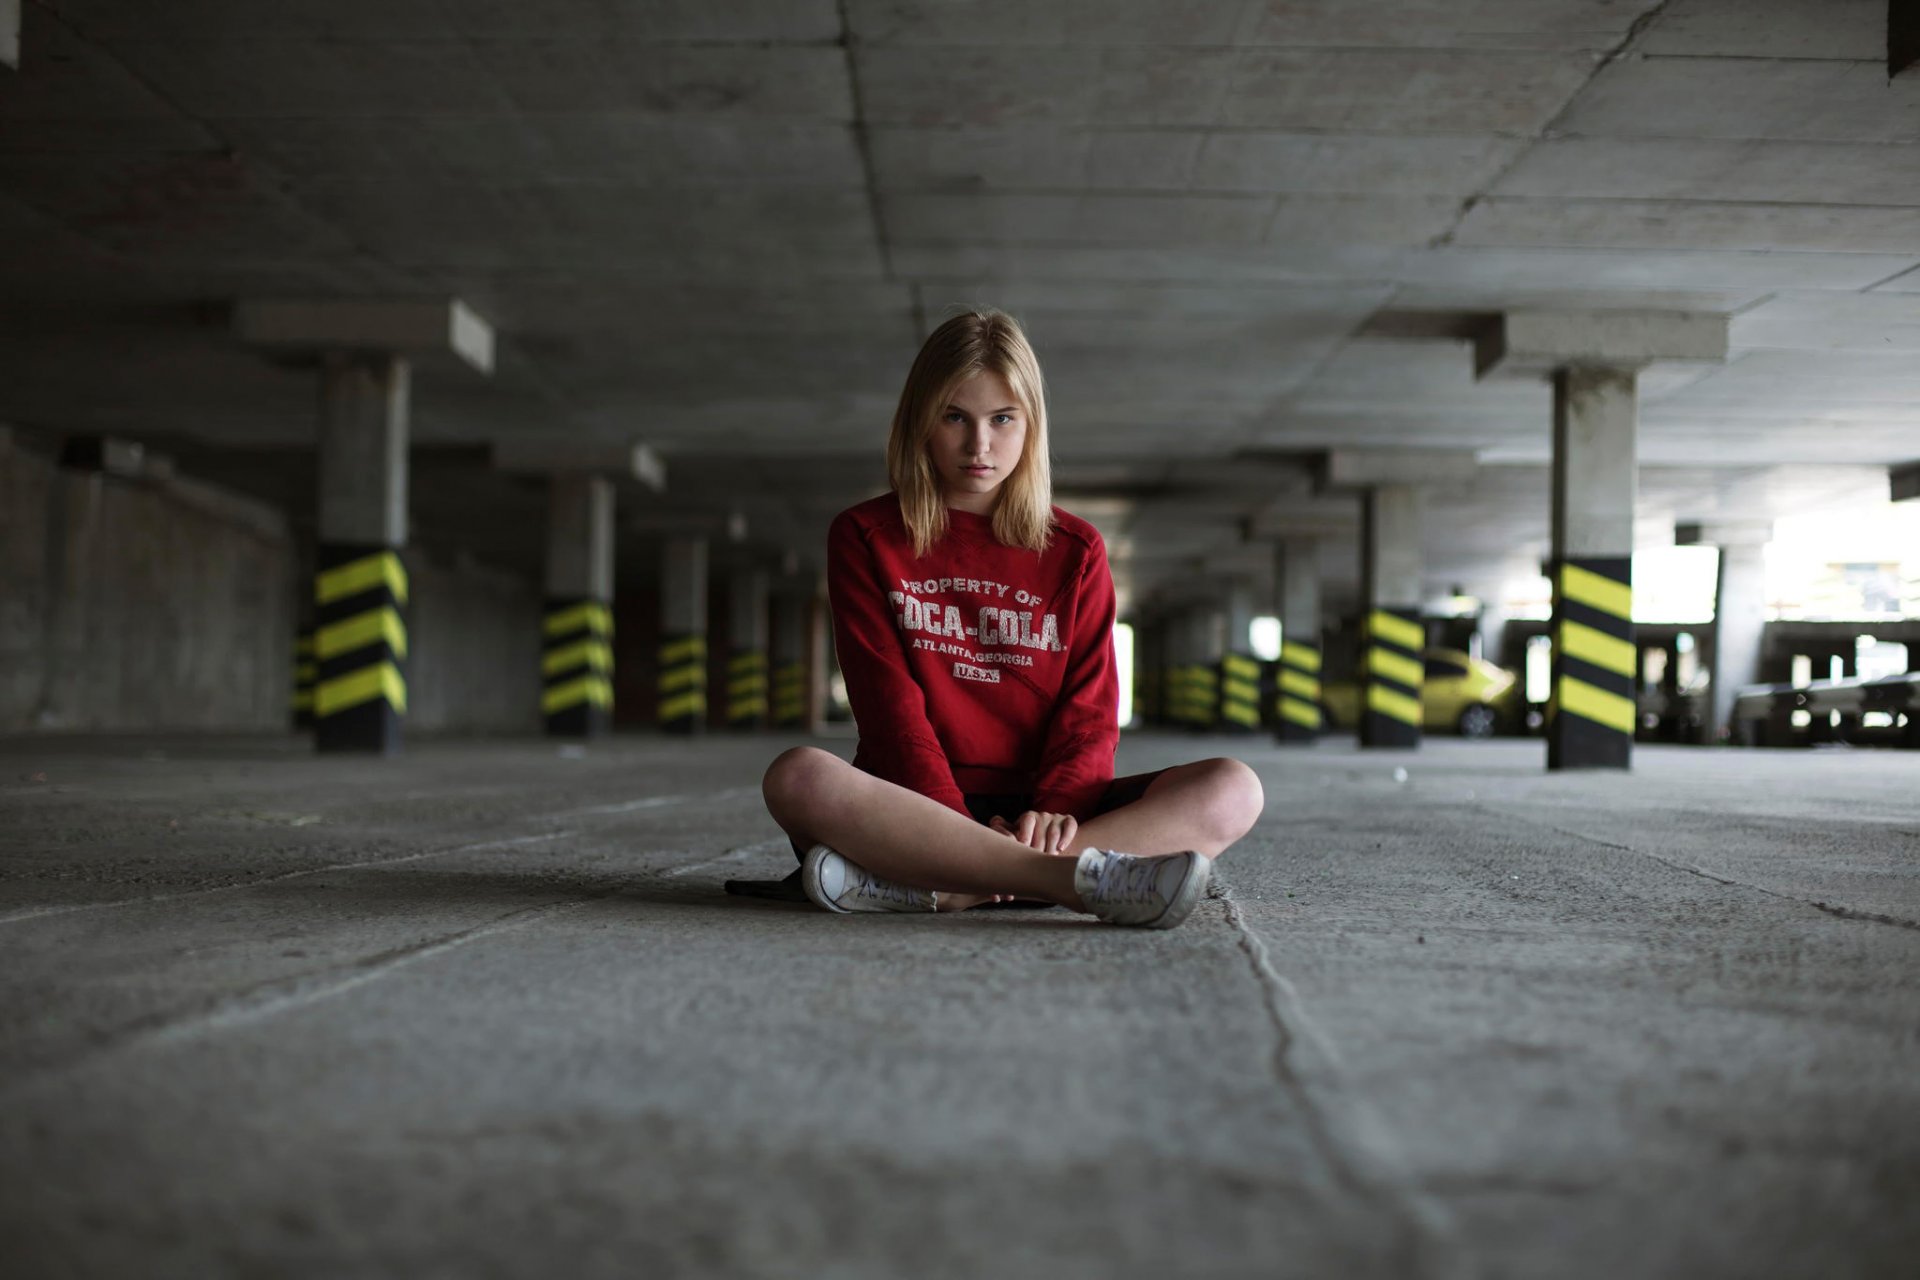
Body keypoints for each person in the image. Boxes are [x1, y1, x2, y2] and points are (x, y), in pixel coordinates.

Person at [759, 310, 1263, 929]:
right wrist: (952, 825)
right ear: (920, 419)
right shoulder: (865, 536)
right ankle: (1072, 882)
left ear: (1031, 425)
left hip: (1052, 816)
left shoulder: (1076, 549)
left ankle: (953, 887)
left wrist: (1057, 812)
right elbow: (888, 706)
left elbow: (1089, 710)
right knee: (798, 776)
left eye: (1002, 419)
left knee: (1234, 787)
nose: (979, 445)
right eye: (954, 417)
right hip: (913, 804)